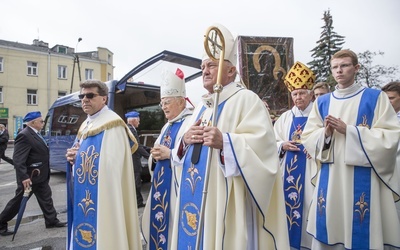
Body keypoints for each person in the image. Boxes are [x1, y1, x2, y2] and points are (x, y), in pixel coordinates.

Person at [170, 24, 289, 249]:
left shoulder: (246, 100)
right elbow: (180, 154)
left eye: (212, 66)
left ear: (231, 71)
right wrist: (184, 141)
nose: (204, 70)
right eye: (203, 66)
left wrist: (225, 142)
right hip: (197, 195)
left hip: (229, 198)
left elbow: (264, 151)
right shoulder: (202, 107)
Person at [301, 49, 400, 249]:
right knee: (330, 223)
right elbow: (308, 138)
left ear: (356, 68)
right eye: (335, 67)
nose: (339, 71)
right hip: (331, 175)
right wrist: (325, 134)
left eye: (344, 65)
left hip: (363, 176)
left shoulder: (375, 98)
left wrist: (350, 131)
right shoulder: (322, 102)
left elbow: (390, 135)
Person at [65, 79, 142, 249]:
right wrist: (72, 158)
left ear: (104, 99)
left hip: (104, 199)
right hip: (85, 195)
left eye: (90, 95)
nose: (84, 99)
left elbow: (112, 166)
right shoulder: (86, 124)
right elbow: (79, 152)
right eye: (82, 96)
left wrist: (81, 157)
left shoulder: (113, 125)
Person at [141, 68, 193, 250]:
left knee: (175, 228)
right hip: (162, 187)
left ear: (181, 101)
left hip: (178, 188)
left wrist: (170, 154)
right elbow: (157, 153)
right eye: (162, 103)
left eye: (167, 102)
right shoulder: (166, 127)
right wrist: (154, 158)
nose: (163, 106)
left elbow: (196, 157)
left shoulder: (191, 123)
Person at [0, 111, 66, 237]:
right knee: (18, 202)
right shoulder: (24, 135)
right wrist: (24, 176)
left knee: (46, 198)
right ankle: (1, 222)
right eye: (41, 121)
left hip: (39, 175)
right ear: (33, 122)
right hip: (29, 177)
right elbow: (18, 159)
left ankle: (51, 220)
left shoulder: (35, 133)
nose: (43, 123)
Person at [273, 61, 317, 250]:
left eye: (302, 93)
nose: (298, 97)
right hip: (288, 172)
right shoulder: (285, 118)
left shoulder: (319, 113)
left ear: (310, 94)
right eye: (295, 94)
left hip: (311, 171)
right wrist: (282, 145)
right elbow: (271, 142)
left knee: (310, 206)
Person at [381, 81, 400, 221]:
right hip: (388, 171)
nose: (388, 102)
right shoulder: (381, 120)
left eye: (391, 98)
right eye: (385, 99)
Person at [125, 110, 150, 208]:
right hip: (133, 160)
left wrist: (149, 149)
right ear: (133, 121)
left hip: (133, 160)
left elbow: (138, 145)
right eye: (138, 121)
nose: (139, 123)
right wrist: (148, 156)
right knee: (136, 182)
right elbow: (137, 146)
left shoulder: (130, 129)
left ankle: (137, 202)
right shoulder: (130, 130)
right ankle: (138, 203)